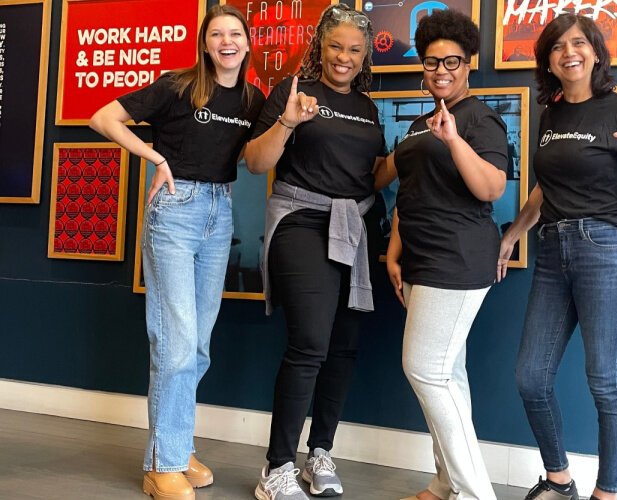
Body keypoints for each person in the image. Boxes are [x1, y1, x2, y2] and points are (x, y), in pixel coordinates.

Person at [497, 13, 617, 500]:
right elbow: (545, 189)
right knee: (530, 377)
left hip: (607, 248)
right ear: (549, 62)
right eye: (557, 47)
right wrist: (514, 233)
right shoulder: (552, 115)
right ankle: (559, 480)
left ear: (596, 53)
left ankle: (609, 492)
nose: (568, 52)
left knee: (604, 380)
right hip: (553, 250)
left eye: (578, 43)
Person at [89, 5, 265, 500]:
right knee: (176, 338)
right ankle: (161, 464)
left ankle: (177, 442)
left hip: (219, 212)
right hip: (176, 209)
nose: (226, 41)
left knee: (199, 343)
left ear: (247, 43)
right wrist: (154, 156)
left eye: (235, 33)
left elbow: (261, 153)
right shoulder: (177, 84)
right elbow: (104, 117)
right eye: (216, 34)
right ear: (205, 44)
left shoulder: (252, 98)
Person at [243, 4, 394, 499]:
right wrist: (286, 124)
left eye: (354, 49)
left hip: (356, 226)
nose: (344, 58)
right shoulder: (292, 91)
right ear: (319, 45)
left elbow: (370, 175)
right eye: (335, 46)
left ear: (365, 53)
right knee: (309, 343)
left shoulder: (369, 108)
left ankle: (319, 452)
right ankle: (277, 468)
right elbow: (254, 162)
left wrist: (410, 156)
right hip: (302, 221)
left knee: (343, 347)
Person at [385, 9, 509, 500]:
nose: (441, 71)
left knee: (426, 370)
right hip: (418, 258)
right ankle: (445, 481)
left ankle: (476, 493)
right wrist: (394, 252)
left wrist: (455, 140)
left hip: (456, 261)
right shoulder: (419, 122)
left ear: (469, 63)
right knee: (448, 376)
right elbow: (409, 192)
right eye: (433, 61)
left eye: (452, 61)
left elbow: (490, 188)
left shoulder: (481, 119)